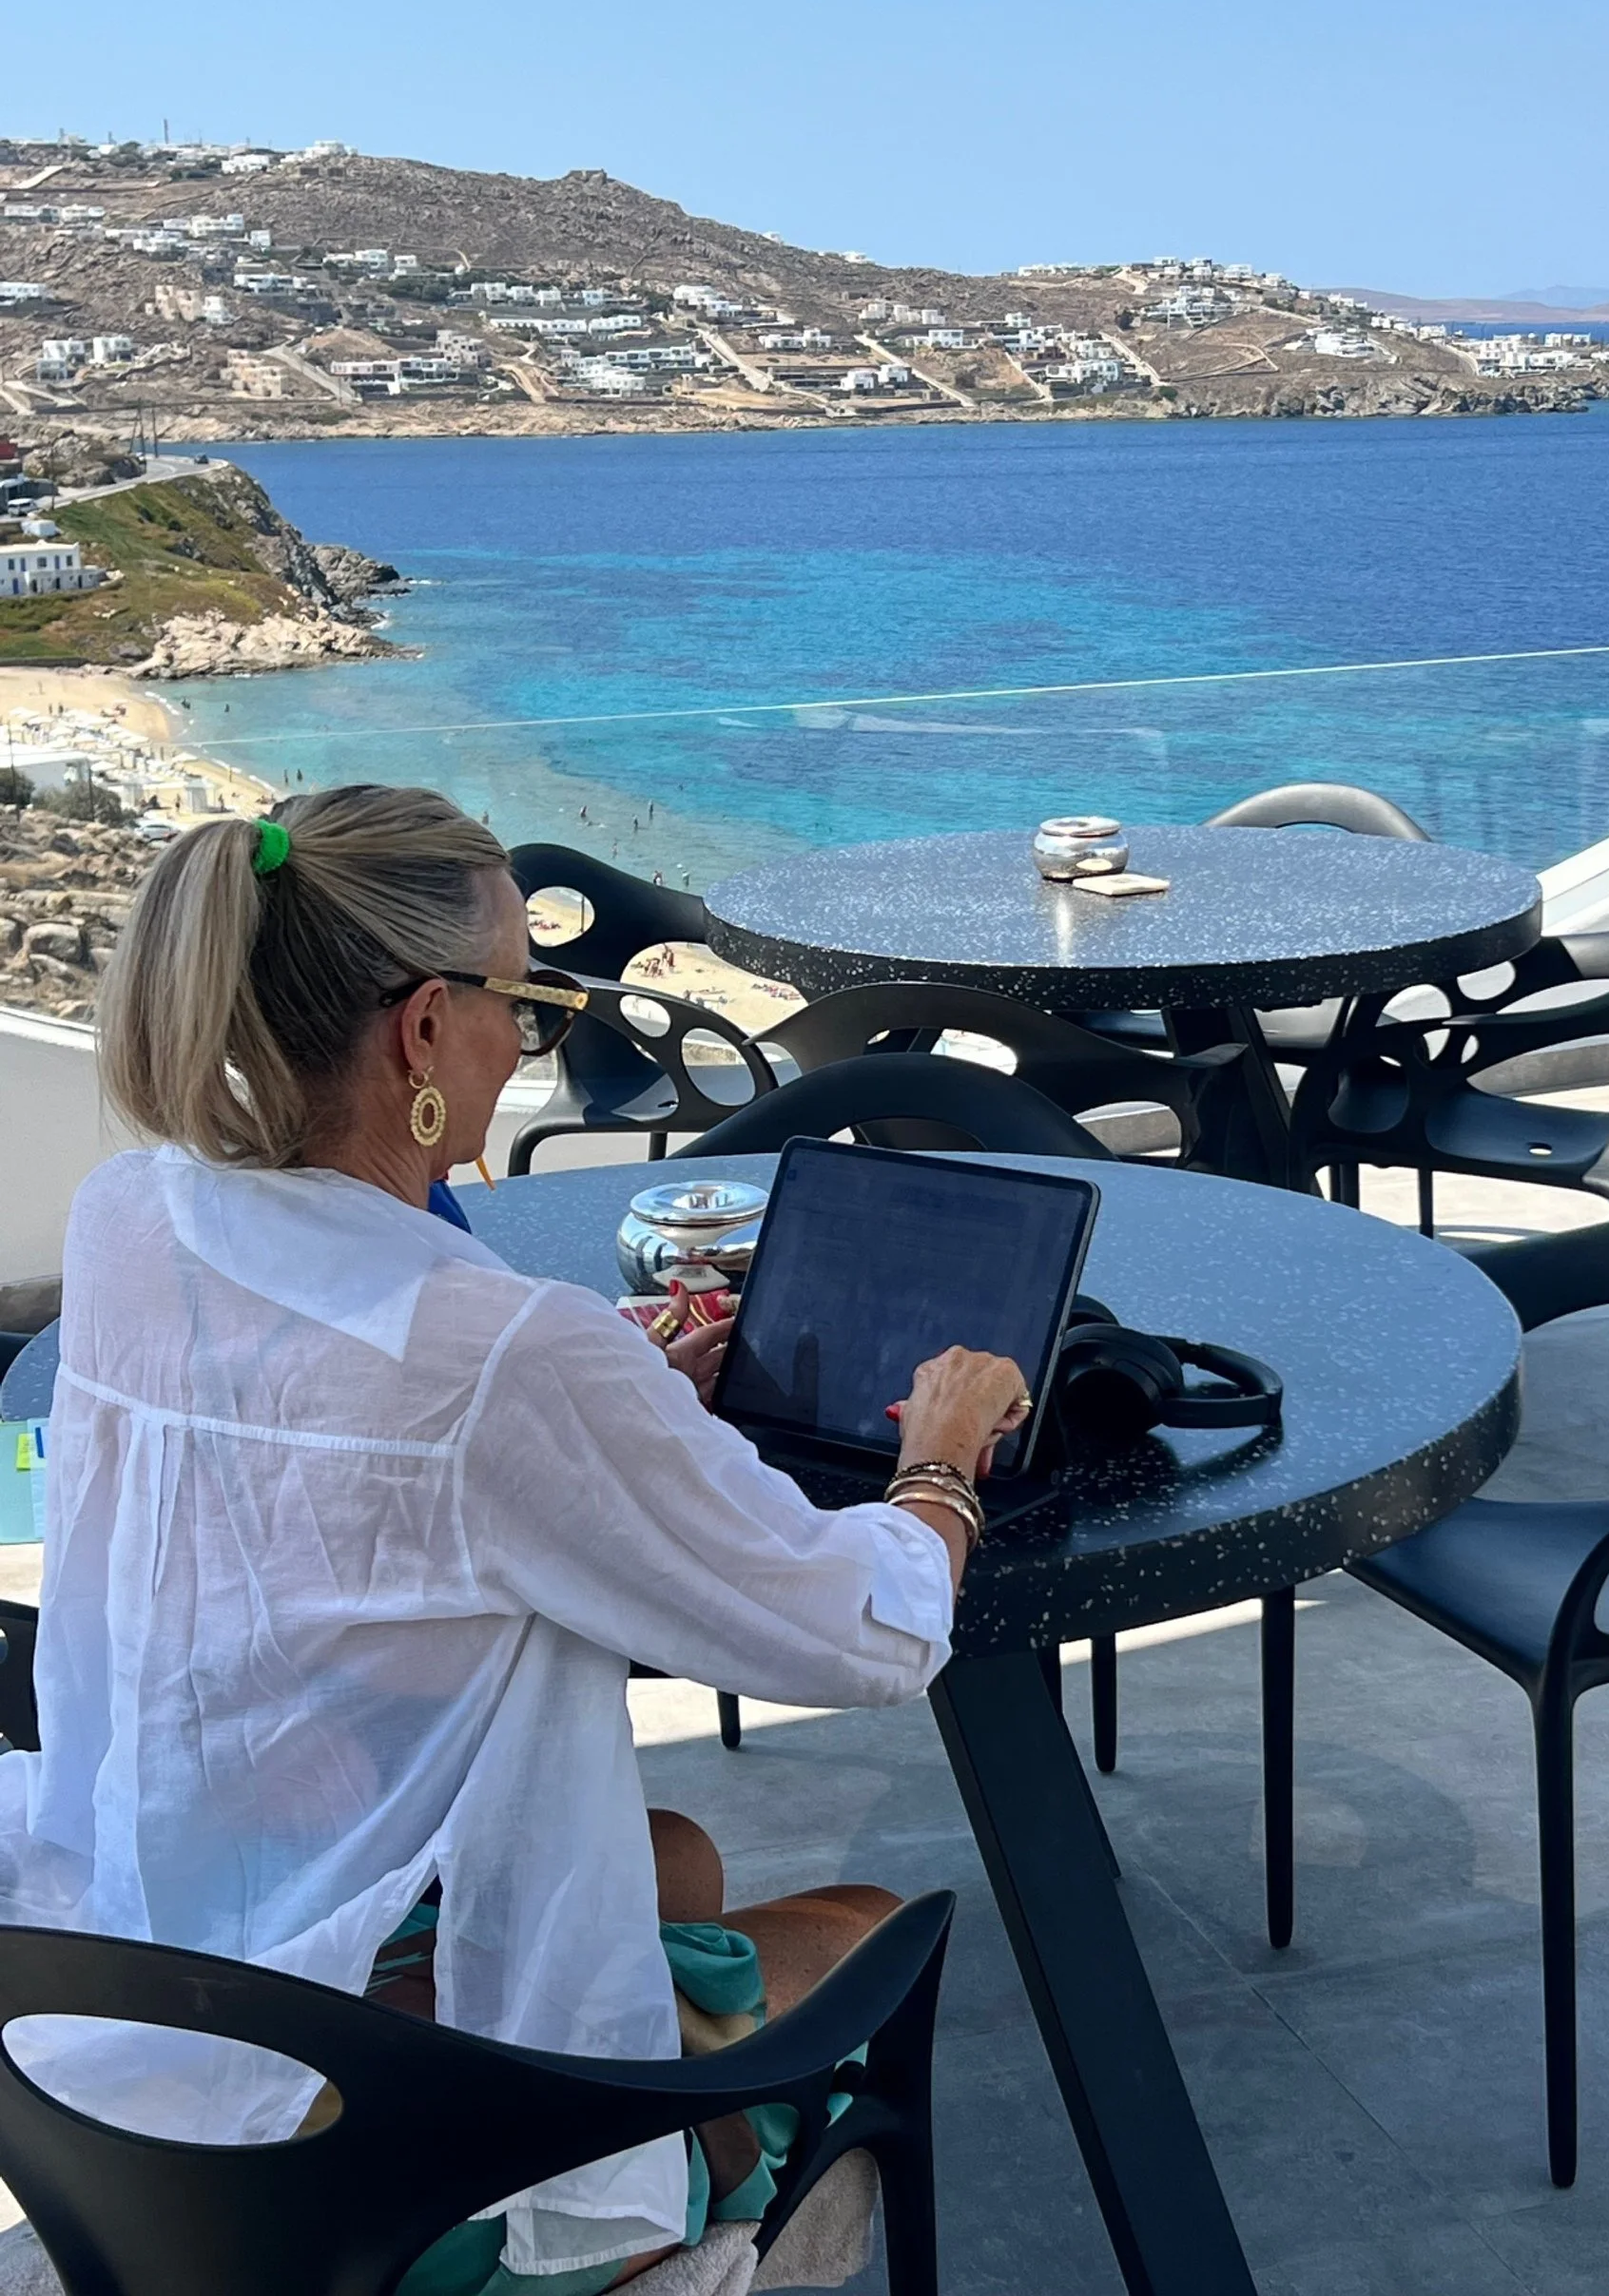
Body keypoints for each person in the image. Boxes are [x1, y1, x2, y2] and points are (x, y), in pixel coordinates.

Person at [2, 783, 1024, 2292]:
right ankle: (616, 2238)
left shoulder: (131, 1216)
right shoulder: (510, 1360)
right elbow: (861, 1637)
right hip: (373, 2177)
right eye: (527, 1006)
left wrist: (605, 1421)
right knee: (864, 1924)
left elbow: (324, 1458)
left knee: (668, 1856)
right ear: (424, 1030)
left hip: (143, 1999)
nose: (527, 1044)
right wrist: (942, 1460)